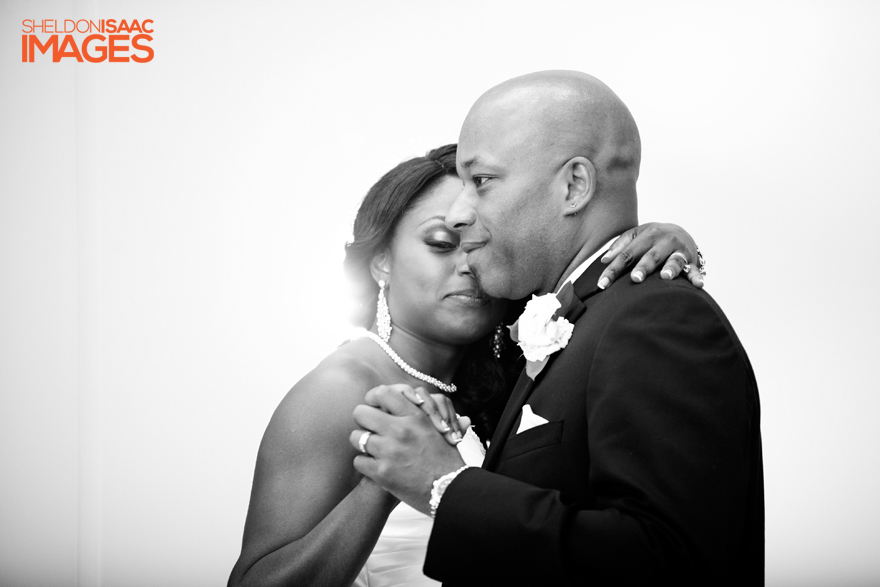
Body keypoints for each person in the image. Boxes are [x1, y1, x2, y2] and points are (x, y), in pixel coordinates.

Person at [351, 71, 763, 586]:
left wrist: (446, 487)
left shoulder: (653, 319)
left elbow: (673, 563)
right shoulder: (565, 320)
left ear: (574, 186)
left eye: (481, 182)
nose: (458, 215)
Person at [228, 143, 703, 587]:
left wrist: (657, 243)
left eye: (482, 244)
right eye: (440, 243)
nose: (467, 264)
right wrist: (385, 480)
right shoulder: (343, 388)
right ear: (381, 263)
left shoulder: (514, 378)